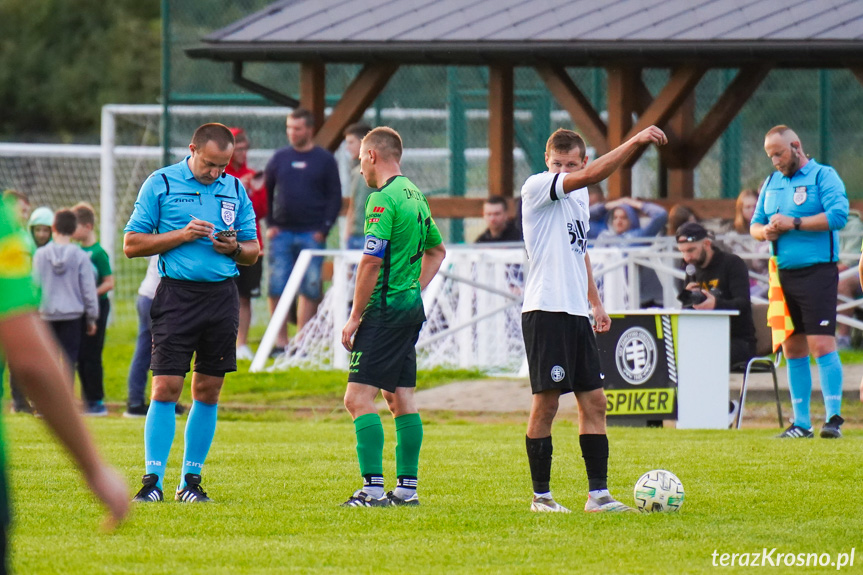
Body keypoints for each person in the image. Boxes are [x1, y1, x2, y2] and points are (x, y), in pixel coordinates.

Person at [520, 125, 667, 514]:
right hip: (545, 310)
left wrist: (596, 303)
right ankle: (541, 497)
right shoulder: (538, 186)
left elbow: (579, 248)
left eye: (571, 164)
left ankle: (598, 496)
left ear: (581, 161)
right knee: (547, 404)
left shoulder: (580, 195)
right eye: (557, 164)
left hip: (575, 312)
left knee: (595, 403)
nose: (563, 170)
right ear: (546, 164)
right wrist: (635, 141)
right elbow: (592, 176)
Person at [124, 123, 259, 502]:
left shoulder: (234, 189)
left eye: (224, 165)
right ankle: (153, 482)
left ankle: (191, 482)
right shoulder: (161, 183)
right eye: (211, 164)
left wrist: (232, 248)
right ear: (193, 150)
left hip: (221, 298)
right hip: (175, 297)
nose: (217, 173)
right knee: (165, 387)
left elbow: (253, 251)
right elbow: (131, 244)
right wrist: (181, 236)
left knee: (208, 390)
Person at [0, 198, 128, 571]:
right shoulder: (6, 229)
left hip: (50, 311)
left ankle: (25, 404)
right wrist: (94, 468)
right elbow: (32, 361)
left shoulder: (37, 252)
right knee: (64, 361)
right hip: (70, 315)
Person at [340, 127, 446, 507]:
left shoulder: (382, 199)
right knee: (400, 396)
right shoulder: (416, 196)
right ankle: (406, 490)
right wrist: (413, 286)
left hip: (384, 313)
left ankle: (371, 490)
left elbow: (370, 261)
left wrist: (354, 317)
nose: (359, 166)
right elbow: (437, 250)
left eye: (360, 158)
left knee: (357, 398)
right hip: (409, 310)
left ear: (371, 156)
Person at [751, 125, 849, 439]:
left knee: (821, 343)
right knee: (792, 347)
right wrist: (765, 232)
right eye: (770, 156)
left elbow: (838, 216)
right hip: (781, 275)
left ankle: (833, 417)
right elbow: (754, 224)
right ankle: (801, 422)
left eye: (778, 153)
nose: (775, 160)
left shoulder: (823, 176)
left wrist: (795, 222)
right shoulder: (771, 182)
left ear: (796, 145)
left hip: (818, 271)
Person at [265, 108, 342, 352]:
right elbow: (265, 191)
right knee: (276, 285)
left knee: (309, 286)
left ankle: (301, 341)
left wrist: (324, 229)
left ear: (309, 130)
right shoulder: (279, 158)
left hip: (312, 234)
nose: (292, 132)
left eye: (297, 128)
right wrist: (271, 224)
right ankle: (280, 342)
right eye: (289, 127)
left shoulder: (325, 159)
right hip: (282, 234)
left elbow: (334, 197)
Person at [32, 209, 99, 385]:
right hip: (72, 315)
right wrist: (92, 318)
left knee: (46, 359)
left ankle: (45, 403)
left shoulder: (40, 255)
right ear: (73, 229)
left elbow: (34, 286)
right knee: (68, 360)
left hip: (46, 314)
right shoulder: (81, 256)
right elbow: (88, 290)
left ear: (53, 227)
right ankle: (64, 402)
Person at [676, 222, 756, 366]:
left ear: (706, 244)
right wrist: (688, 299)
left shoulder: (732, 264)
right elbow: (689, 313)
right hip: (705, 337)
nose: (687, 257)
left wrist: (716, 304)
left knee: (701, 355)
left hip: (737, 339)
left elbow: (743, 304)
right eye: (682, 252)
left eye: (691, 250)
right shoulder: (692, 269)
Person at [224, 127, 267, 361]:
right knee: (223, 293)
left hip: (250, 246)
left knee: (245, 296)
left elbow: (260, 212)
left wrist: (255, 190)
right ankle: (224, 342)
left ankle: (242, 344)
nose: (242, 152)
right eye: (237, 147)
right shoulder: (222, 178)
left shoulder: (252, 175)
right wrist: (240, 186)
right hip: (225, 246)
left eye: (244, 147)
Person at [124, 257, 186, 418]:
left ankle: (135, 401)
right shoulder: (175, 237)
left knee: (143, 352)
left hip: (145, 295)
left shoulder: (161, 234)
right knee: (164, 353)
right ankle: (163, 400)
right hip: (159, 299)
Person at [71, 202, 114, 416]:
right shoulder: (75, 251)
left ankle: (96, 402)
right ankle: (86, 400)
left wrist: (90, 294)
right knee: (78, 355)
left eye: (75, 226)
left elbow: (109, 282)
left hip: (97, 307)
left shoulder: (98, 253)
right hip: (79, 309)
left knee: (92, 354)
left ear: (87, 226)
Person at [597, 196, 668, 308]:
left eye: (624, 217)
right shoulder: (604, 235)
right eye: (615, 217)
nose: (619, 221)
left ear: (632, 219)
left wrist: (635, 204)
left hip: (635, 298)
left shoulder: (640, 235)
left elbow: (660, 215)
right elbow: (585, 216)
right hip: (604, 296)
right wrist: (610, 205)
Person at [1, 190, 34, 414]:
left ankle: (21, 404)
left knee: (20, 360)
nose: (24, 215)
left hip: (19, 306)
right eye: (21, 210)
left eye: (26, 212)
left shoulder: (24, 236)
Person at [343, 122, 375, 250]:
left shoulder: (380, 171)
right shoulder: (356, 171)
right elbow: (353, 204)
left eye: (351, 142)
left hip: (373, 235)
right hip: (355, 235)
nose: (347, 147)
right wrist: (348, 231)